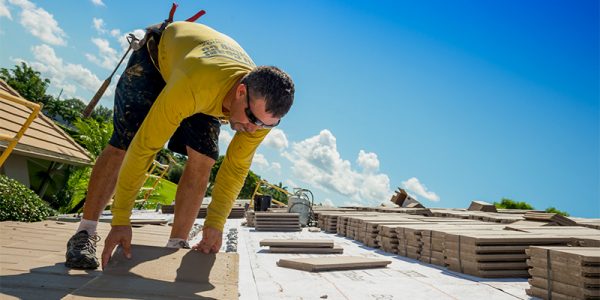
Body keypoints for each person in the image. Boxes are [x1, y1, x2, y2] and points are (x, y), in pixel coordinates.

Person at [64, 19, 294, 269]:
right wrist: (121, 221)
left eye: (265, 125)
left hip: (207, 78)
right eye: (252, 119)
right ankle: (85, 233)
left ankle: (177, 242)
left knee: (204, 159)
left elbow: (236, 168)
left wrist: (215, 224)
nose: (253, 129)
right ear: (241, 92)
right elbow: (145, 148)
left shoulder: (259, 114)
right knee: (125, 143)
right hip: (158, 62)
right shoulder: (197, 85)